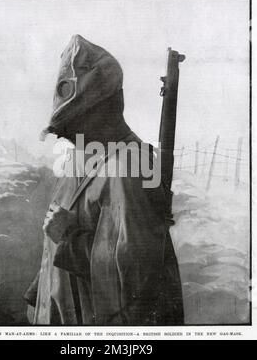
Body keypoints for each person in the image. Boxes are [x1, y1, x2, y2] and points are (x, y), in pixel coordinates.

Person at [24, 34, 184, 325]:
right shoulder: (83, 157)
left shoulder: (130, 166)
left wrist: (67, 242)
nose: (71, 137)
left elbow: (137, 280)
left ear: (108, 108)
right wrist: (39, 295)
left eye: (75, 123)